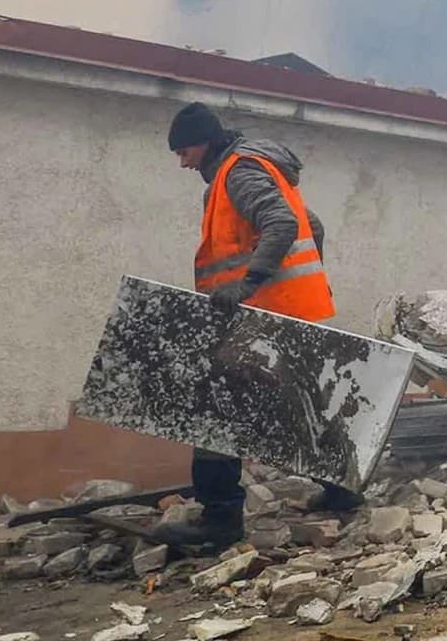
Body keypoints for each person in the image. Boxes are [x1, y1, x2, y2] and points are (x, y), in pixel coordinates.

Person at [151, 103, 355, 549]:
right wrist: (301, 287)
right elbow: (310, 225)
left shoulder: (238, 172)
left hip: (261, 310)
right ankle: (343, 489)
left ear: (204, 142)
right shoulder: (250, 169)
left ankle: (221, 520)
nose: (182, 162)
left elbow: (282, 223)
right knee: (298, 400)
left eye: (184, 151)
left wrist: (250, 284)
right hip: (286, 308)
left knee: (214, 409)